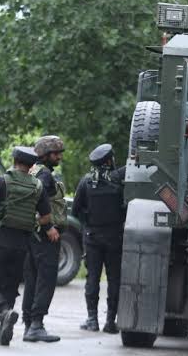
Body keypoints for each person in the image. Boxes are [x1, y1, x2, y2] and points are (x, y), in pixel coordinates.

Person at [0, 147, 56, 346]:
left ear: (15, 160)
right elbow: (46, 217)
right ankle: (3, 330)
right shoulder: (37, 186)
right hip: (22, 245)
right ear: (31, 165)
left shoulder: (2, 181)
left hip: (0, 241)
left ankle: (4, 312)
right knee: (11, 287)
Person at [72, 143, 126, 334]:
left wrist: (88, 225)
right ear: (109, 160)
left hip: (93, 238)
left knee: (92, 278)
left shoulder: (86, 182)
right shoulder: (119, 180)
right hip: (114, 238)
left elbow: (75, 210)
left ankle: (92, 319)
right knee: (114, 279)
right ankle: (111, 321)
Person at [22, 135, 65, 343]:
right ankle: (36, 325)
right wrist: (48, 227)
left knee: (32, 279)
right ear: (45, 155)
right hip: (45, 235)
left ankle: (28, 323)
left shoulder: (33, 171)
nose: (59, 157)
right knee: (46, 279)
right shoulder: (45, 175)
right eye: (56, 154)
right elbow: (42, 204)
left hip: (31, 234)